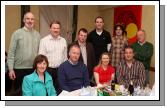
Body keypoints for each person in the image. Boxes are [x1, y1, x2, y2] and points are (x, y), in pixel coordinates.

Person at [7, 12, 41, 95]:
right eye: (28, 19)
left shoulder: (38, 35)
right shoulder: (17, 33)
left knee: (32, 92)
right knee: (19, 93)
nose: (30, 21)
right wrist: (11, 69)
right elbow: (11, 53)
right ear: (23, 20)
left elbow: (39, 53)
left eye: (32, 19)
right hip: (19, 69)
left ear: (34, 21)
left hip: (33, 69)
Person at [38, 20, 67, 94]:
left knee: (59, 91)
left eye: (58, 28)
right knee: (47, 91)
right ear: (50, 29)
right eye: (54, 28)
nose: (56, 30)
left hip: (60, 70)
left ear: (60, 30)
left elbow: (65, 57)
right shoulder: (44, 41)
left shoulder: (63, 41)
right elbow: (40, 58)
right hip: (47, 70)